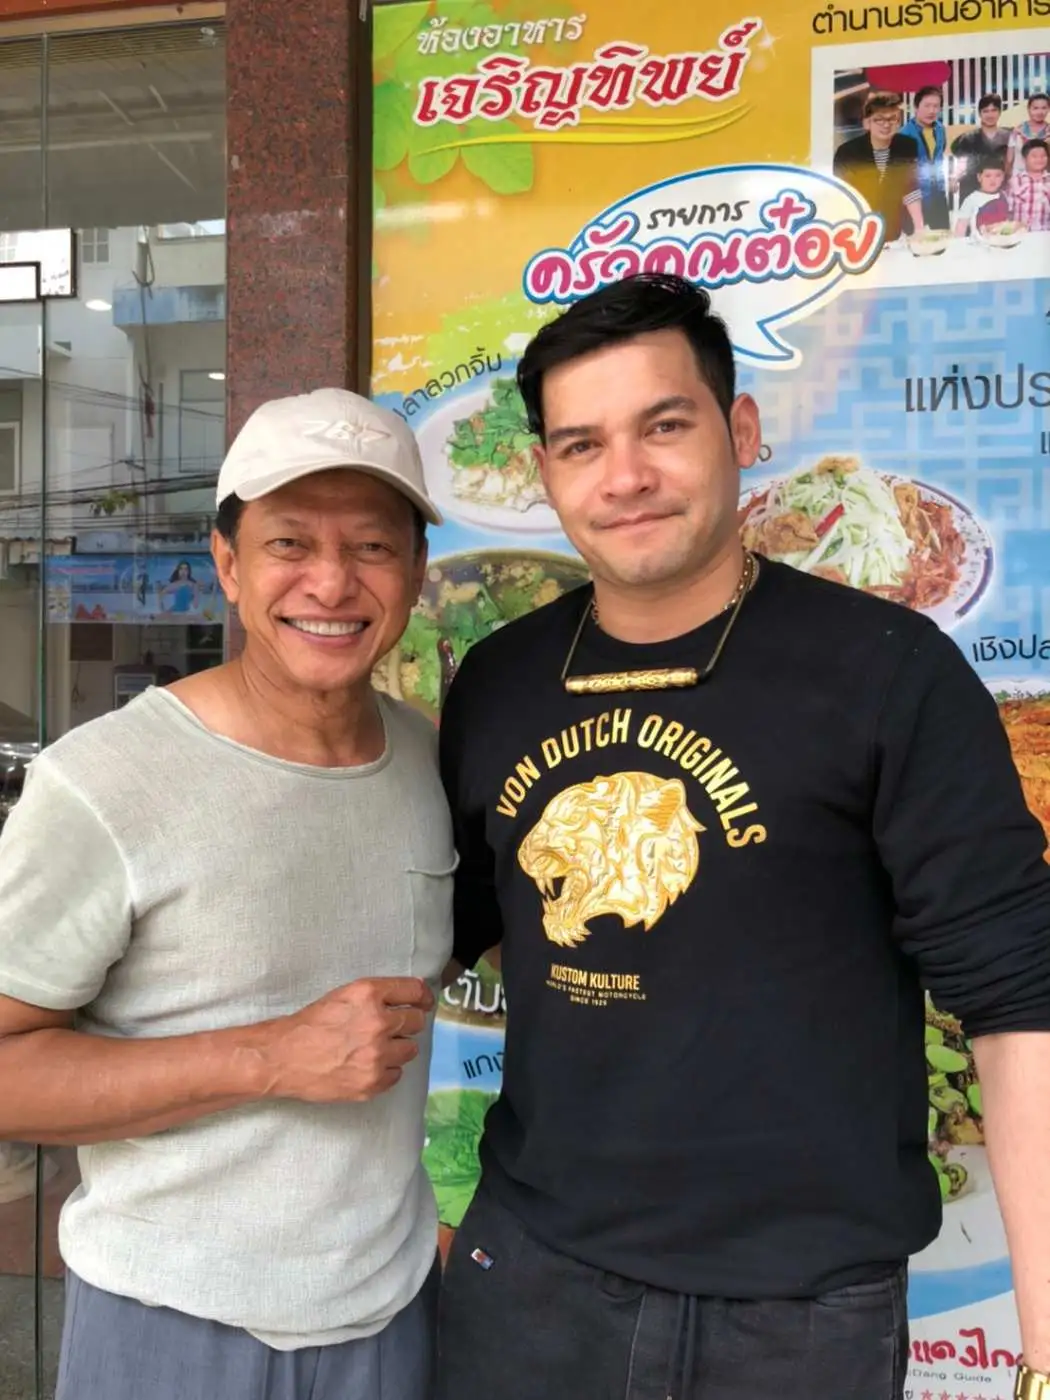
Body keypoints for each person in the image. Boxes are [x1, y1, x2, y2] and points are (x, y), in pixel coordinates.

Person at [435, 273, 1050, 1400]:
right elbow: (430, 929)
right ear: (545, 472)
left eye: (664, 426)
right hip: (529, 1284)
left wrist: (1047, 1357)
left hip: (797, 1319)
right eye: (581, 444)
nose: (625, 475)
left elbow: (1021, 1010)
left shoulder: (887, 673)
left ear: (743, 431)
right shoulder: (497, 681)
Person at [0, 387, 454, 1400]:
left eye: (373, 546)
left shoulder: (429, 761)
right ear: (228, 564)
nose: (331, 581)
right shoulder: (103, 782)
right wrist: (270, 1056)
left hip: (388, 1319)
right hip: (167, 1325)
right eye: (289, 542)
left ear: (417, 571)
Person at [833, 90, 924, 241]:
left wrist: (920, 228)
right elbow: (842, 196)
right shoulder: (847, 152)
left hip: (896, 229)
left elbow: (910, 189)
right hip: (858, 228)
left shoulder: (907, 146)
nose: (886, 125)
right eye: (879, 120)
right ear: (866, 123)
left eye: (892, 119)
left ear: (899, 121)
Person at [901, 84, 950, 228]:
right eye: (927, 105)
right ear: (916, 107)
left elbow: (939, 156)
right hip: (914, 197)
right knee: (917, 237)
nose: (931, 111)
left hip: (938, 194)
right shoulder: (903, 134)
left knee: (943, 236)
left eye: (936, 106)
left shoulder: (940, 129)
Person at [950, 93, 1010, 202]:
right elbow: (962, 161)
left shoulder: (1009, 136)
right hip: (972, 186)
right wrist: (955, 176)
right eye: (985, 111)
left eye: (994, 110)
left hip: (1000, 187)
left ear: (1000, 112)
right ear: (979, 113)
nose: (990, 115)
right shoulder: (968, 137)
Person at [953, 156, 1010, 238]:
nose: (993, 180)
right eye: (988, 176)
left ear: (1003, 177)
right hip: (979, 244)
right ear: (979, 177)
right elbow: (961, 227)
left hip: (1003, 241)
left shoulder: (1004, 195)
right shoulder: (971, 199)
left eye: (998, 175)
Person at [1008, 137, 1050, 232]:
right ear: (1024, 159)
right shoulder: (1015, 181)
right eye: (1034, 156)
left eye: (1043, 156)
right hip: (1020, 233)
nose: (1039, 159)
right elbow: (1008, 211)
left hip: (1046, 233)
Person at [1008, 92, 1050, 174]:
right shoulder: (1018, 130)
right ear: (1028, 109)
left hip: (1044, 176)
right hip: (1019, 174)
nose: (1040, 112)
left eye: (1044, 108)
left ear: (1048, 109)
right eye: (1035, 108)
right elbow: (1009, 159)